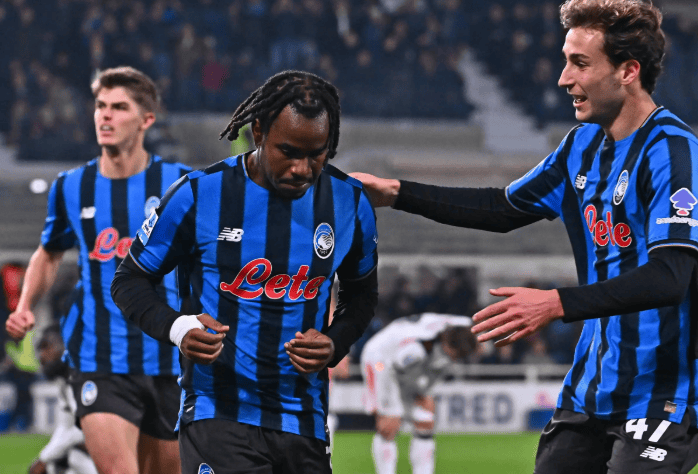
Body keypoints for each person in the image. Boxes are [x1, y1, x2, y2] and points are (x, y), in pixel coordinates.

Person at [351, 0, 698, 472]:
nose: (563, 79)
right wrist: (396, 193)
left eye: (580, 63)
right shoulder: (580, 147)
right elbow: (502, 208)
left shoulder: (673, 152)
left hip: (662, 395)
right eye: (565, 61)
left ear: (627, 71)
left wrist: (556, 303)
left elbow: (670, 276)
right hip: (590, 390)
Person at [111, 70, 379, 474]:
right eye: (288, 151)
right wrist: (179, 328)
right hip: (218, 412)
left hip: (303, 420)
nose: (302, 168)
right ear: (257, 132)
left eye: (317, 154)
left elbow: (362, 295)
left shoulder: (350, 202)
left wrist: (334, 341)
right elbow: (129, 280)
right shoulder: (199, 194)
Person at [5, 66, 190, 474]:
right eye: (100, 106)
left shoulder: (180, 185)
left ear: (146, 120)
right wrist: (25, 304)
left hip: (169, 361)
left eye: (119, 107)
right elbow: (49, 254)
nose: (105, 115)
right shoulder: (72, 186)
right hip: (99, 360)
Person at [361, 313, 475, 474]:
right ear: (447, 345)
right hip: (381, 361)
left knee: (426, 420)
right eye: (455, 355)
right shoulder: (415, 350)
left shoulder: (462, 326)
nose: (455, 359)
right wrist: (417, 393)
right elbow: (396, 370)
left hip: (409, 365)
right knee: (390, 423)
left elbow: (475, 323)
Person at [28, 324, 98, 474]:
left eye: (47, 347)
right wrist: (44, 458)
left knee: (73, 456)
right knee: (63, 461)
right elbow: (66, 426)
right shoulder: (65, 381)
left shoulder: (87, 378)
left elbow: (87, 429)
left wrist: (44, 458)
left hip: (125, 447)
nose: (42, 355)